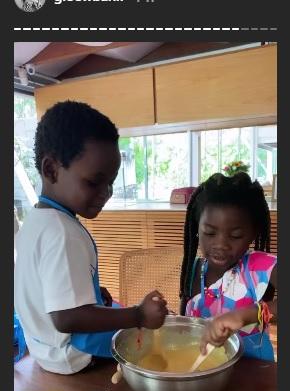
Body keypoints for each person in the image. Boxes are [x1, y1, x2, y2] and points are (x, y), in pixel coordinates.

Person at [14, 101, 167, 374]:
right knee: (156, 347)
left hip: (43, 352)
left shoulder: (35, 221)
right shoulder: (63, 233)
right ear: (51, 170)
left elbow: (48, 291)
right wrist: (138, 315)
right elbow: (66, 317)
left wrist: (90, 294)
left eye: (111, 181)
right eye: (94, 182)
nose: (106, 192)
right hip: (76, 357)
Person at [179, 172, 277, 361]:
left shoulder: (257, 267)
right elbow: (189, 323)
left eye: (236, 236)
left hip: (251, 375)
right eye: (209, 233)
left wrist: (246, 314)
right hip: (203, 372)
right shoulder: (194, 271)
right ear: (197, 228)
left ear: (253, 234)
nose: (221, 244)